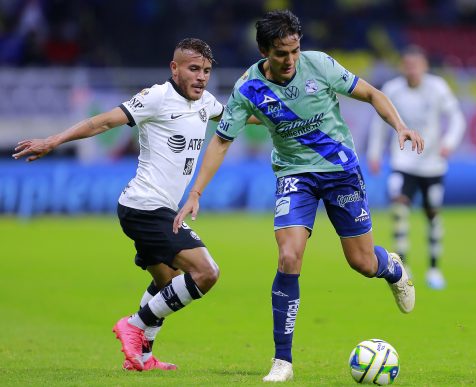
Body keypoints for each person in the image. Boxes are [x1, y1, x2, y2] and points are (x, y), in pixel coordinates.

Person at [173, 10, 424, 382]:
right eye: (281, 53)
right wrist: (195, 192)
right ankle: (283, 361)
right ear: (264, 51)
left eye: (294, 51)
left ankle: (392, 268)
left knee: (362, 262)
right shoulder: (248, 89)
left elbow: (371, 93)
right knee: (289, 256)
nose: (290, 60)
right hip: (295, 176)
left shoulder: (319, 65)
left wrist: (400, 126)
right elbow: (222, 141)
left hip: (341, 172)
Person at [12, 38, 225, 371]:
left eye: (207, 71)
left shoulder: (207, 102)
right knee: (206, 273)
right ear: (175, 67)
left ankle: (142, 356)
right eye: (194, 69)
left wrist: (280, 115)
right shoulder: (156, 97)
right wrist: (53, 141)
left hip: (160, 208)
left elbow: (240, 119)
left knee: (166, 283)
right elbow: (103, 121)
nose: (201, 77)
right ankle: (135, 324)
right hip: (145, 207)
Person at [367, 45, 466, 290]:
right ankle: (404, 265)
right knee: (399, 209)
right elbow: (379, 124)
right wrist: (375, 153)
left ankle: (434, 269)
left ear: (424, 66)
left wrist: (449, 143)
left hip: (432, 164)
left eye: (416, 65)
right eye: (407, 65)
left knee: (433, 215)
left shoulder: (437, 87)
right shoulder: (392, 89)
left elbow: (457, 118)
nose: (411, 69)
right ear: (402, 66)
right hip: (403, 161)